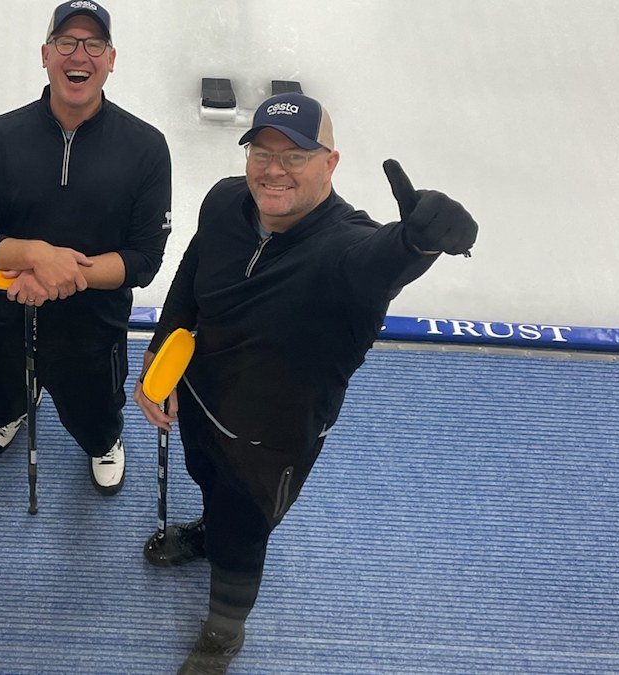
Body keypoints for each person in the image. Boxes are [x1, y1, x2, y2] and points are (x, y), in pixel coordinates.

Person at [132, 92, 479, 673]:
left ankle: (223, 633)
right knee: (207, 483)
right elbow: (192, 272)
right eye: (262, 153)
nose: (274, 170)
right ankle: (208, 531)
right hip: (198, 398)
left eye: (295, 156)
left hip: (270, 443)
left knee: (244, 538)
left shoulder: (347, 250)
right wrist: (159, 353)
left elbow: (383, 260)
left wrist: (418, 242)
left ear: (330, 163)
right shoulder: (225, 200)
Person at [0, 1, 172, 494]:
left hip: (95, 320)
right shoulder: (0, 137)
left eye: (94, 44)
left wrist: (59, 277)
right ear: (46, 54)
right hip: (11, 306)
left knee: (95, 413)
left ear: (111, 59)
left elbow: (144, 259)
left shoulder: (146, 147)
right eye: (67, 42)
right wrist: (36, 255)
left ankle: (104, 444)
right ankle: (13, 411)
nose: (80, 55)